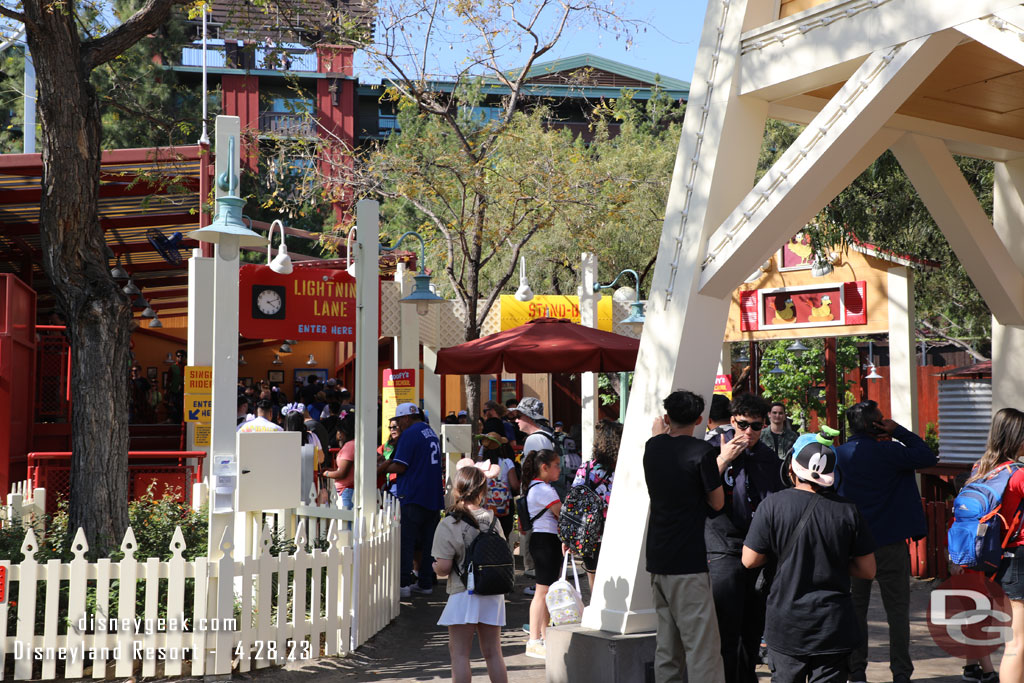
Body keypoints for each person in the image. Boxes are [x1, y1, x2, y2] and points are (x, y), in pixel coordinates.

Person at [742, 433, 876, 683]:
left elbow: (749, 560)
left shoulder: (772, 506)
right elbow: (868, 570)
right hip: (833, 625)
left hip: (787, 624)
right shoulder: (848, 510)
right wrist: (831, 559)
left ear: (791, 467)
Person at [835, 400, 936, 683]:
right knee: (898, 612)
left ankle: (856, 672)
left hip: (853, 546)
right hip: (890, 543)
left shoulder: (839, 456)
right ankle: (901, 673)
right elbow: (926, 456)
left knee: (855, 611)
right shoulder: (891, 452)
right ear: (876, 425)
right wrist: (899, 430)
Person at [644, 389, 725, 683]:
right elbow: (717, 502)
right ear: (700, 419)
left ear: (667, 418)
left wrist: (659, 433)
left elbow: (660, 443)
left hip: (658, 557)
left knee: (667, 646)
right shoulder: (702, 452)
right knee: (702, 647)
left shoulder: (652, 448)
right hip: (688, 562)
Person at [707, 393, 786, 683]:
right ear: (732, 421)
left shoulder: (768, 459)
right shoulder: (713, 449)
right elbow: (693, 491)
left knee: (753, 626)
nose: (749, 432)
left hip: (759, 549)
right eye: (742, 425)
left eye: (756, 426)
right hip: (722, 547)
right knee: (727, 627)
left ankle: (746, 675)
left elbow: (775, 503)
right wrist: (723, 460)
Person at [431, 463, 509, 683]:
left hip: (464, 591)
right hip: (493, 592)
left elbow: (444, 568)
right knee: (493, 652)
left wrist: (435, 567)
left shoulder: (449, 523)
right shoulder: (493, 520)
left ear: (456, 490)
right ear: (483, 491)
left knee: (460, 654)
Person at [962, 408, 1024, 683]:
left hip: (992, 560)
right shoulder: (1019, 475)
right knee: (1018, 642)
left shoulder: (980, 468)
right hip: (1019, 559)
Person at [378, 402, 444, 599]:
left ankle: (404, 584)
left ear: (406, 418)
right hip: (433, 495)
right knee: (427, 544)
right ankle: (425, 583)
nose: (398, 425)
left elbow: (400, 467)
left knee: (406, 542)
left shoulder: (410, 433)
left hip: (414, 495)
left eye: (398, 421)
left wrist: (380, 469)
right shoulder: (429, 431)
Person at [571, 418, 622, 589]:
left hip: (590, 533)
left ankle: (598, 611)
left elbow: (575, 500)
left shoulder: (586, 469)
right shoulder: (623, 469)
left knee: (594, 576)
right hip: (617, 533)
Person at [522, 448, 563, 660]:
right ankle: (535, 640)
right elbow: (562, 514)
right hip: (546, 541)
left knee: (544, 592)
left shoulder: (536, 487)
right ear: (544, 467)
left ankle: (543, 637)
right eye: (556, 465)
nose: (559, 469)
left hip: (544, 540)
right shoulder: (545, 490)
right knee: (542, 592)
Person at [475, 431, 519, 539]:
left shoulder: (480, 465)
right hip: (504, 507)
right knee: (504, 536)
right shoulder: (507, 462)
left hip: (485, 507)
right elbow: (514, 485)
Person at [284, 408, 325, 504]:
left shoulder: (283, 439)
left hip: (288, 476)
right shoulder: (312, 437)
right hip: (310, 475)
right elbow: (321, 458)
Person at [324, 412, 356, 509]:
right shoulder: (353, 444)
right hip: (347, 491)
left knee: (346, 523)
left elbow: (342, 473)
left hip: (346, 492)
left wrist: (326, 473)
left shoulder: (350, 446)